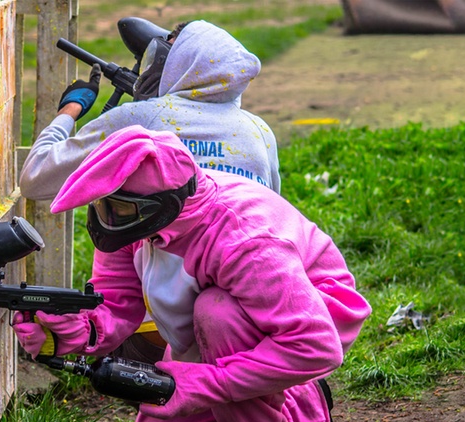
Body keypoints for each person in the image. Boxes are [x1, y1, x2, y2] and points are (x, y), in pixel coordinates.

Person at [12, 126, 372, 422]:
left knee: (218, 312)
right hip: (207, 337)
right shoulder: (133, 219)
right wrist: (72, 332)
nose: (106, 220)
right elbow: (116, 302)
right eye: (101, 206)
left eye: (117, 210)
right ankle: (285, 420)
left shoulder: (243, 238)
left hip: (297, 326)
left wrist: (206, 382)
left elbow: (316, 346)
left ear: (164, 204)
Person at [20, 20, 282, 364]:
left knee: (124, 215)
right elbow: (273, 209)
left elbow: (35, 177)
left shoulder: (141, 117)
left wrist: (70, 111)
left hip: (159, 330)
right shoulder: (259, 129)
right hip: (260, 308)